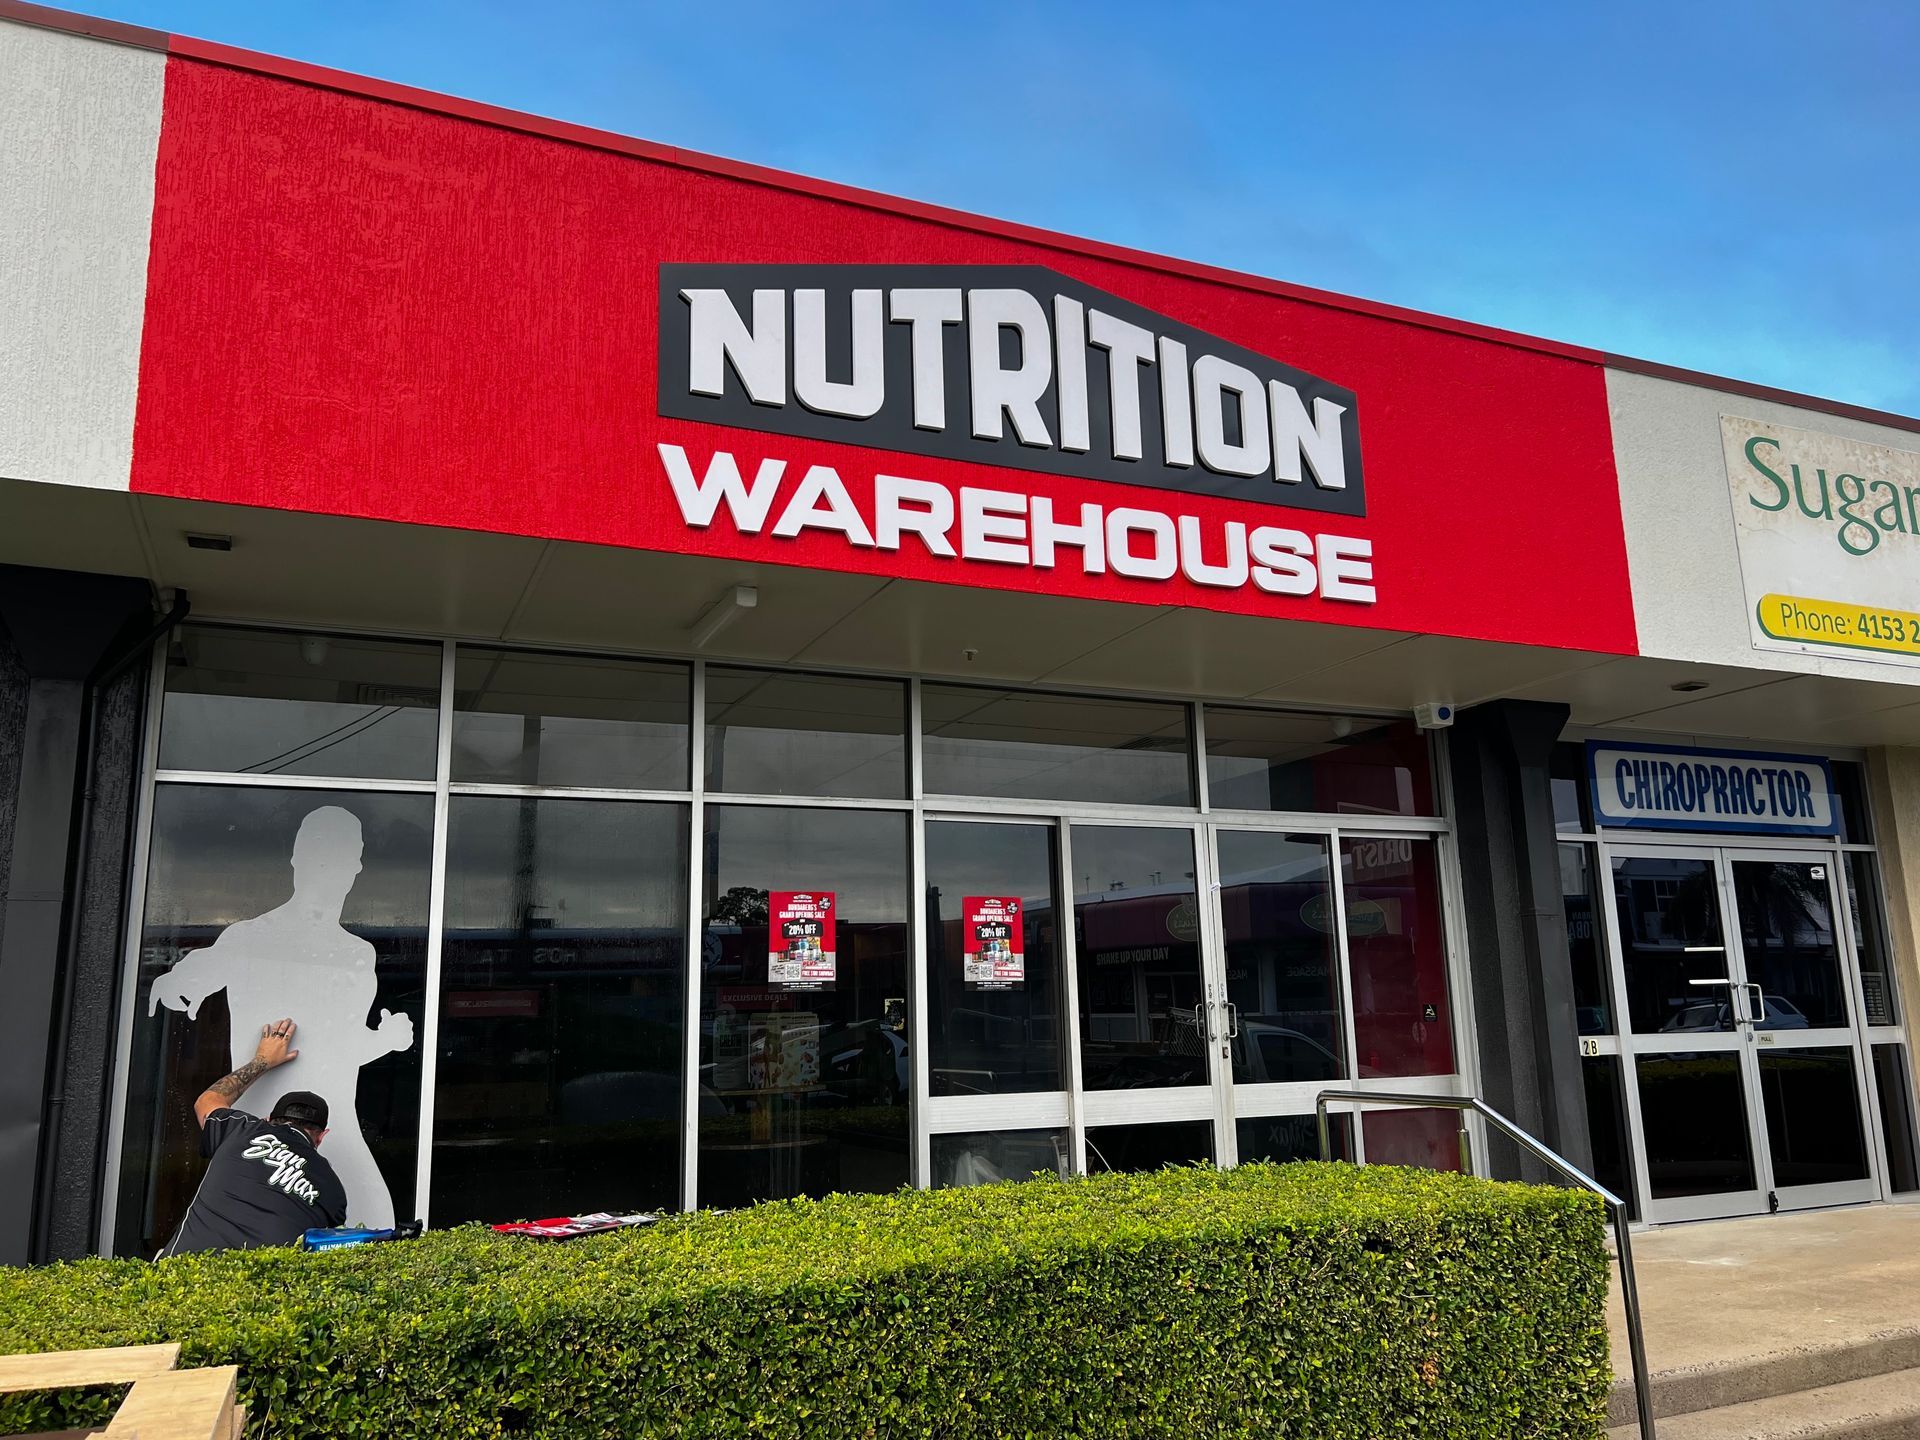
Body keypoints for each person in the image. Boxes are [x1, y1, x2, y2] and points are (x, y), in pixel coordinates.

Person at [147, 804, 413, 1226]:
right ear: (297, 858)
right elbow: (177, 989)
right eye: (320, 856)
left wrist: (386, 1041)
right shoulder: (250, 939)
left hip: (336, 1135)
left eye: (344, 857)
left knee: (376, 1228)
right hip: (261, 1142)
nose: (331, 870)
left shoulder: (359, 954)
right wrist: (175, 984)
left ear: (356, 867)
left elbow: (338, 1047)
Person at [159, 1018, 348, 1257]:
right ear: (321, 1137)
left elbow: (207, 1100)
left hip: (180, 1271)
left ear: (268, 1119)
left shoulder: (240, 1128)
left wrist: (262, 1060)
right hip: (259, 1281)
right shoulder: (333, 1190)